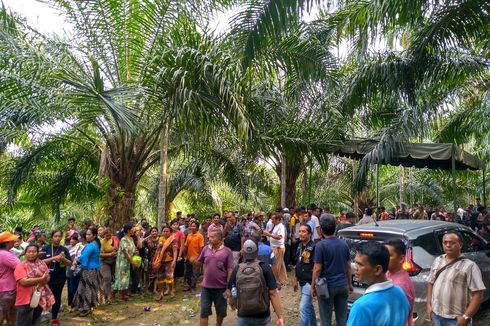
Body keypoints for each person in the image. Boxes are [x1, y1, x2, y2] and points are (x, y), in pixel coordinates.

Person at [426, 231, 485, 326]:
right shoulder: (438, 260)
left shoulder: (469, 266)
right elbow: (430, 282)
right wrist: (429, 305)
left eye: (452, 242)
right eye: (445, 242)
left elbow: (478, 294)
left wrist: (466, 317)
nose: (448, 245)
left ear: (460, 245)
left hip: (456, 319)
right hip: (437, 315)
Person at [347, 241, 409, 326]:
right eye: (355, 263)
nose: (355, 268)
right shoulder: (400, 293)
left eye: (360, 264)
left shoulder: (361, 307)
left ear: (377, 270)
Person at [226, 239, 284, 326]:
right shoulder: (264, 267)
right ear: (257, 251)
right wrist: (280, 317)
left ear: (243, 252)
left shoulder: (237, 268)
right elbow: (273, 293)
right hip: (262, 315)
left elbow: (229, 292)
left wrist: (232, 304)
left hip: (243, 314)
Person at [311, 214, 352, 326]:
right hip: (343, 285)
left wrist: (313, 286)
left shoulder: (320, 245)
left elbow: (317, 269)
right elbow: (348, 267)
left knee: (325, 320)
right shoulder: (344, 244)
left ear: (321, 230)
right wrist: (350, 284)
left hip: (327, 287)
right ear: (335, 227)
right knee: (342, 319)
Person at [192, 230, 233, 326]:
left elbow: (230, 269)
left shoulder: (227, 251)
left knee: (221, 311)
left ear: (219, 239)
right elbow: (199, 263)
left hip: (221, 288)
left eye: (212, 237)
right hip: (206, 287)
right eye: (209, 236)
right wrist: (193, 261)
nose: (209, 238)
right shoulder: (206, 249)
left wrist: (228, 287)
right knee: (204, 311)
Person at [14, 244, 55, 326]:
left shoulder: (42, 263)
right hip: (25, 299)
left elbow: (48, 277)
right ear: (25, 253)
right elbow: (24, 281)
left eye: (34, 252)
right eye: (29, 252)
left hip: (39, 296)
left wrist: (41, 281)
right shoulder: (21, 266)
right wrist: (41, 280)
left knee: (36, 319)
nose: (31, 253)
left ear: (38, 253)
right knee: (23, 322)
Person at [42, 230, 72, 326]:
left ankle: (54, 318)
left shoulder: (64, 249)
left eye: (59, 236)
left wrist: (63, 259)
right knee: (44, 296)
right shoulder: (45, 248)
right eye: (55, 236)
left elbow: (70, 263)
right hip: (46, 277)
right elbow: (40, 262)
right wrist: (53, 258)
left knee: (57, 297)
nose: (57, 238)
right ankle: (43, 314)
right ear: (52, 237)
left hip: (59, 277)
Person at [384, 239, 415, 326]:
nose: (384, 258)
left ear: (401, 258)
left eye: (389, 255)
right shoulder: (388, 273)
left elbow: (400, 318)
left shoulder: (401, 285)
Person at [72, 227, 101, 316]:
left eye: (89, 234)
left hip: (88, 270)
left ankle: (86, 308)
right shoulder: (96, 244)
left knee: (86, 288)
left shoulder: (91, 246)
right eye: (87, 234)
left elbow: (84, 257)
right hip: (95, 269)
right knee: (90, 288)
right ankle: (86, 306)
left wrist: (79, 263)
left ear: (94, 235)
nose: (87, 236)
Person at [293, 224, 316, 326]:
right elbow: (299, 263)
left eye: (303, 232)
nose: (301, 234)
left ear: (310, 234)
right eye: (300, 231)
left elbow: (317, 267)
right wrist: (296, 279)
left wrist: (314, 285)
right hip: (302, 281)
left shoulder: (314, 247)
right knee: (309, 307)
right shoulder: (300, 245)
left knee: (303, 308)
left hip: (309, 282)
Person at [0, 231, 21, 326]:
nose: (14, 241)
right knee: (3, 312)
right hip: (8, 289)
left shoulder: (4, 253)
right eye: (12, 240)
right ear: (7, 242)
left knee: (11, 311)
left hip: (5, 287)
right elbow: (20, 267)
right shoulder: (6, 255)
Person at [263, 213, 288, 288]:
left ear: (278, 219)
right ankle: (284, 281)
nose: (271, 220)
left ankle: (276, 282)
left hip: (278, 248)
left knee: (276, 266)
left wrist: (269, 235)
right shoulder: (276, 226)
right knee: (281, 265)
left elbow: (280, 237)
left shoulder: (280, 226)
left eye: (273, 219)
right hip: (275, 247)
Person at [113, 223, 137, 301]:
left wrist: (135, 252)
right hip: (122, 262)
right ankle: (111, 296)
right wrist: (132, 262)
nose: (134, 230)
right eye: (133, 228)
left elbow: (132, 250)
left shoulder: (131, 239)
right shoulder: (123, 240)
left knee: (126, 279)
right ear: (128, 230)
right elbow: (125, 253)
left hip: (128, 262)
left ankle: (123, 295)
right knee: (120, 278)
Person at [152, 225, 177, 300]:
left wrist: (174, 261)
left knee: (169, 276)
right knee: (159, 277)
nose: (165, 233)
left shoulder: (173, 239)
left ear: (170, 232)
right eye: (164, 231)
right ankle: (161, 293)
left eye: (167, 231)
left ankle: (171, 290)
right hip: (160, 261)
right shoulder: (160, 239)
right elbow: (158, 250)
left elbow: (175, 251)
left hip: (169, 260)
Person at [184, 221, 205, 294]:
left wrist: (200, 258)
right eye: (191, 226)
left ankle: (193, 287)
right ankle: (189, 286)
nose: (192, 227)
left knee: (195, 273)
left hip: (196, 258)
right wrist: (185, 256)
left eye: (194, 226)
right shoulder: (189, 235)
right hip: (189, 257)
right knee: (188, 272)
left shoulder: (200, 236)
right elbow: (186, 246)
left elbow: (202, 248)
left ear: (197, 227)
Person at [100, 228, 118, 304]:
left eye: (110, 235)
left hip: (114, 261)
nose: (108, 236)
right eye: (107, 235)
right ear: (104, 235)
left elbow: (117, 249)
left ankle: (112, 296)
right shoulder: (102, 242)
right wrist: (109, 254)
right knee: (107, 278)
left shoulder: (114, 239)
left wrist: (116, 252)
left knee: (114, 279)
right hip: (105, 262)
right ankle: (106, 297)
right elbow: (100, 254)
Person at [171, 219, 186, 293]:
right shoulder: (169, 233)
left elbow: (182, 245)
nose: (175, 226)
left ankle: (174, 287)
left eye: (176, 224)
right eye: (173, 224)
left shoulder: (181, 233)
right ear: (171, 226)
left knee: (175, 271)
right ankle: (169, 287)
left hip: (177, 254)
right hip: (169, 254)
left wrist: (180, 255)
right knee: (169, 270)